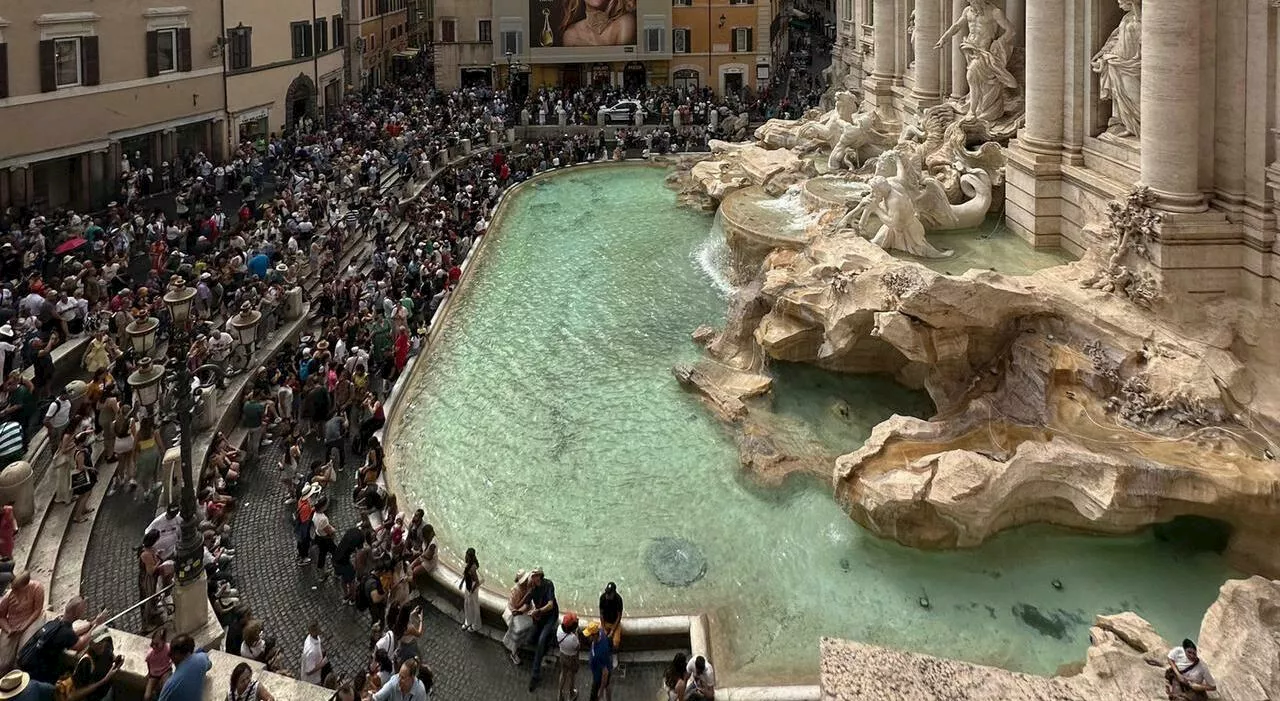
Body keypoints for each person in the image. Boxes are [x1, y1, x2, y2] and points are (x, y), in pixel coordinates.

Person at [17, 597, 105, 684]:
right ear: (76, 613)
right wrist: (96, 625)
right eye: (82, 610)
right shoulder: (65, 633)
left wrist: (91, 624)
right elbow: (80, 645)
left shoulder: (55, 622)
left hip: (28, 662)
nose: (84, 611)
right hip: (38, 673)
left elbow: (73, 633)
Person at [0, 574, 44, 674]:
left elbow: (37, 610)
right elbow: (1, 616)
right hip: (13, 624)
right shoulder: (9, 596)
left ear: (26, 586)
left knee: (23, 653)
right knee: (3, 662)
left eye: (17, 590)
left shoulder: (37, 588)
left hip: (32, 620)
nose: (14, 592)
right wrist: (8, 629)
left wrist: (25, 626)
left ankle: (19, 675)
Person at [526, 567, 559, 691]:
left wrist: (538, 611)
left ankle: (535, 675)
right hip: (539, 617)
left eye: (534, 576)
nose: (532, 578)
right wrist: (518, 609)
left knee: (540, 641)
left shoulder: (549, 584)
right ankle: (549, 640)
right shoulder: (532, 587)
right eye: (531, 576)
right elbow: (527, 601)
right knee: (530, 640)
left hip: (550, 616)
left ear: (539, 576)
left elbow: (551, 605)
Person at [70, 627, 123, 701]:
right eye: (98, 642)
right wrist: (104, 681)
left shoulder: (107, 645)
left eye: (104, 640)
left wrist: (117, 661)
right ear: (91, 643)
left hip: (107, 691)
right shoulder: (86, 661)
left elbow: (110, 656)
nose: (102, 644)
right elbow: (76, 693)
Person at [157, 634, 209, 701]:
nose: (170, 656)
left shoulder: (170, 684)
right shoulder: (201, 659)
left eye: (171, 653)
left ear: (177, 654)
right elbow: (209, 664)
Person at [503, 570, 534, 666]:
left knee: (516, 634)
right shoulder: (516, 590)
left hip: (522, 612)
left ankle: (510, 645)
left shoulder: (526, 586)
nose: (527, 581)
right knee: (517, 634)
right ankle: (513, 654)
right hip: (516, 614)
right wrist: (527, 596)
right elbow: (516, 605)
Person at [555, 613, 580, 701]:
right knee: (571, 675)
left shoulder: (559, 630)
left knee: (563, 672)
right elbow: (577, 647)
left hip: (562, 654)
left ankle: (559, 693)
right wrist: (576, 633)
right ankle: (571, 693)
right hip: (572, 658)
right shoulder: (573, 638)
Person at [586, 623, 613, 701]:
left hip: (598, 677)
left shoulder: (600, 652)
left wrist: (600, 691)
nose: (588, 637)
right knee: (607, 685)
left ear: (594, 635)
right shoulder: (601, 632)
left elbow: (605, 673)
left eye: (589, 635)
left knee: (594, 696)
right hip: (607, 664)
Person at [142, 629, 169, 701]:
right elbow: (148, 662)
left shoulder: (168, 649)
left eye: (156, 644)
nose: (153, 646)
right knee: (146, 696)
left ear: (163, 642)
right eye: (152, 644)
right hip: (154, 675)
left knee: (165, 689)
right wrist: (149, 673)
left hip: (165, 671)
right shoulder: (151, 654)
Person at [460, 548, 481, 633]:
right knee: (468, 604)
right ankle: (469, 621)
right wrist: (462, 582)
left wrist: (472, 591)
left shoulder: (472, 568)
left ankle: (475, 625)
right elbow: (465, 574)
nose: (465, 556)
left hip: (472, 588)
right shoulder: (469, 564)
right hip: (469, 587)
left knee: (473, 606)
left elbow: (477, 581)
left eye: (467, 555)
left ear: (469, 557)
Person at [299, 621, 326, 685]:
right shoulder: (311, 652)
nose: (320, 629)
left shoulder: (311, 637)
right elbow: (308, 671)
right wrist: (323, 663)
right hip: (312, 681)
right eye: (318, 629)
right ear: (313, 632)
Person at [598, 582, 623, 650]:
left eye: (609, 594)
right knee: (600, 638)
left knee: (616, 642)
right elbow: (601, 614)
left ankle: (614, 653)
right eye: (606, 593)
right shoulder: (603, 598)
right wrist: (603, 628)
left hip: (615, 623)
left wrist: (612, 631)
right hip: (605, 622)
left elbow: (619, 616)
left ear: (613, 593)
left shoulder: (618, 600)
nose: (607, 595)